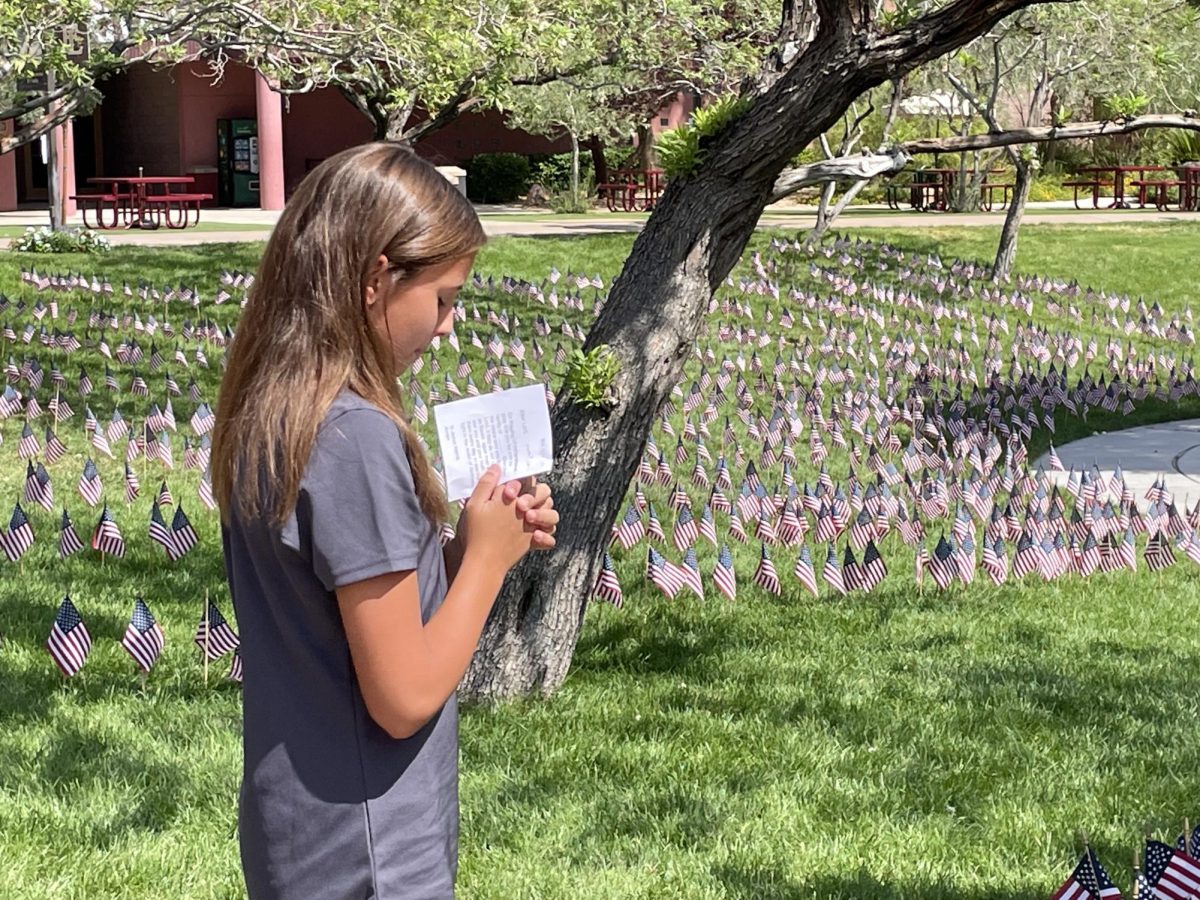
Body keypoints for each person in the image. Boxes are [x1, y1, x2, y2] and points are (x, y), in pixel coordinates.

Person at [211, 142, 558, 899]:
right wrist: (489, 565)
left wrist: (460, 548)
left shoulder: (273, 412)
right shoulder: (355, 438)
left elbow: (342, 601)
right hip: (369, 850)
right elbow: (402, 697)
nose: (449, 328)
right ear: (376, 281)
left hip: (300, 829)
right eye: (442, 298)